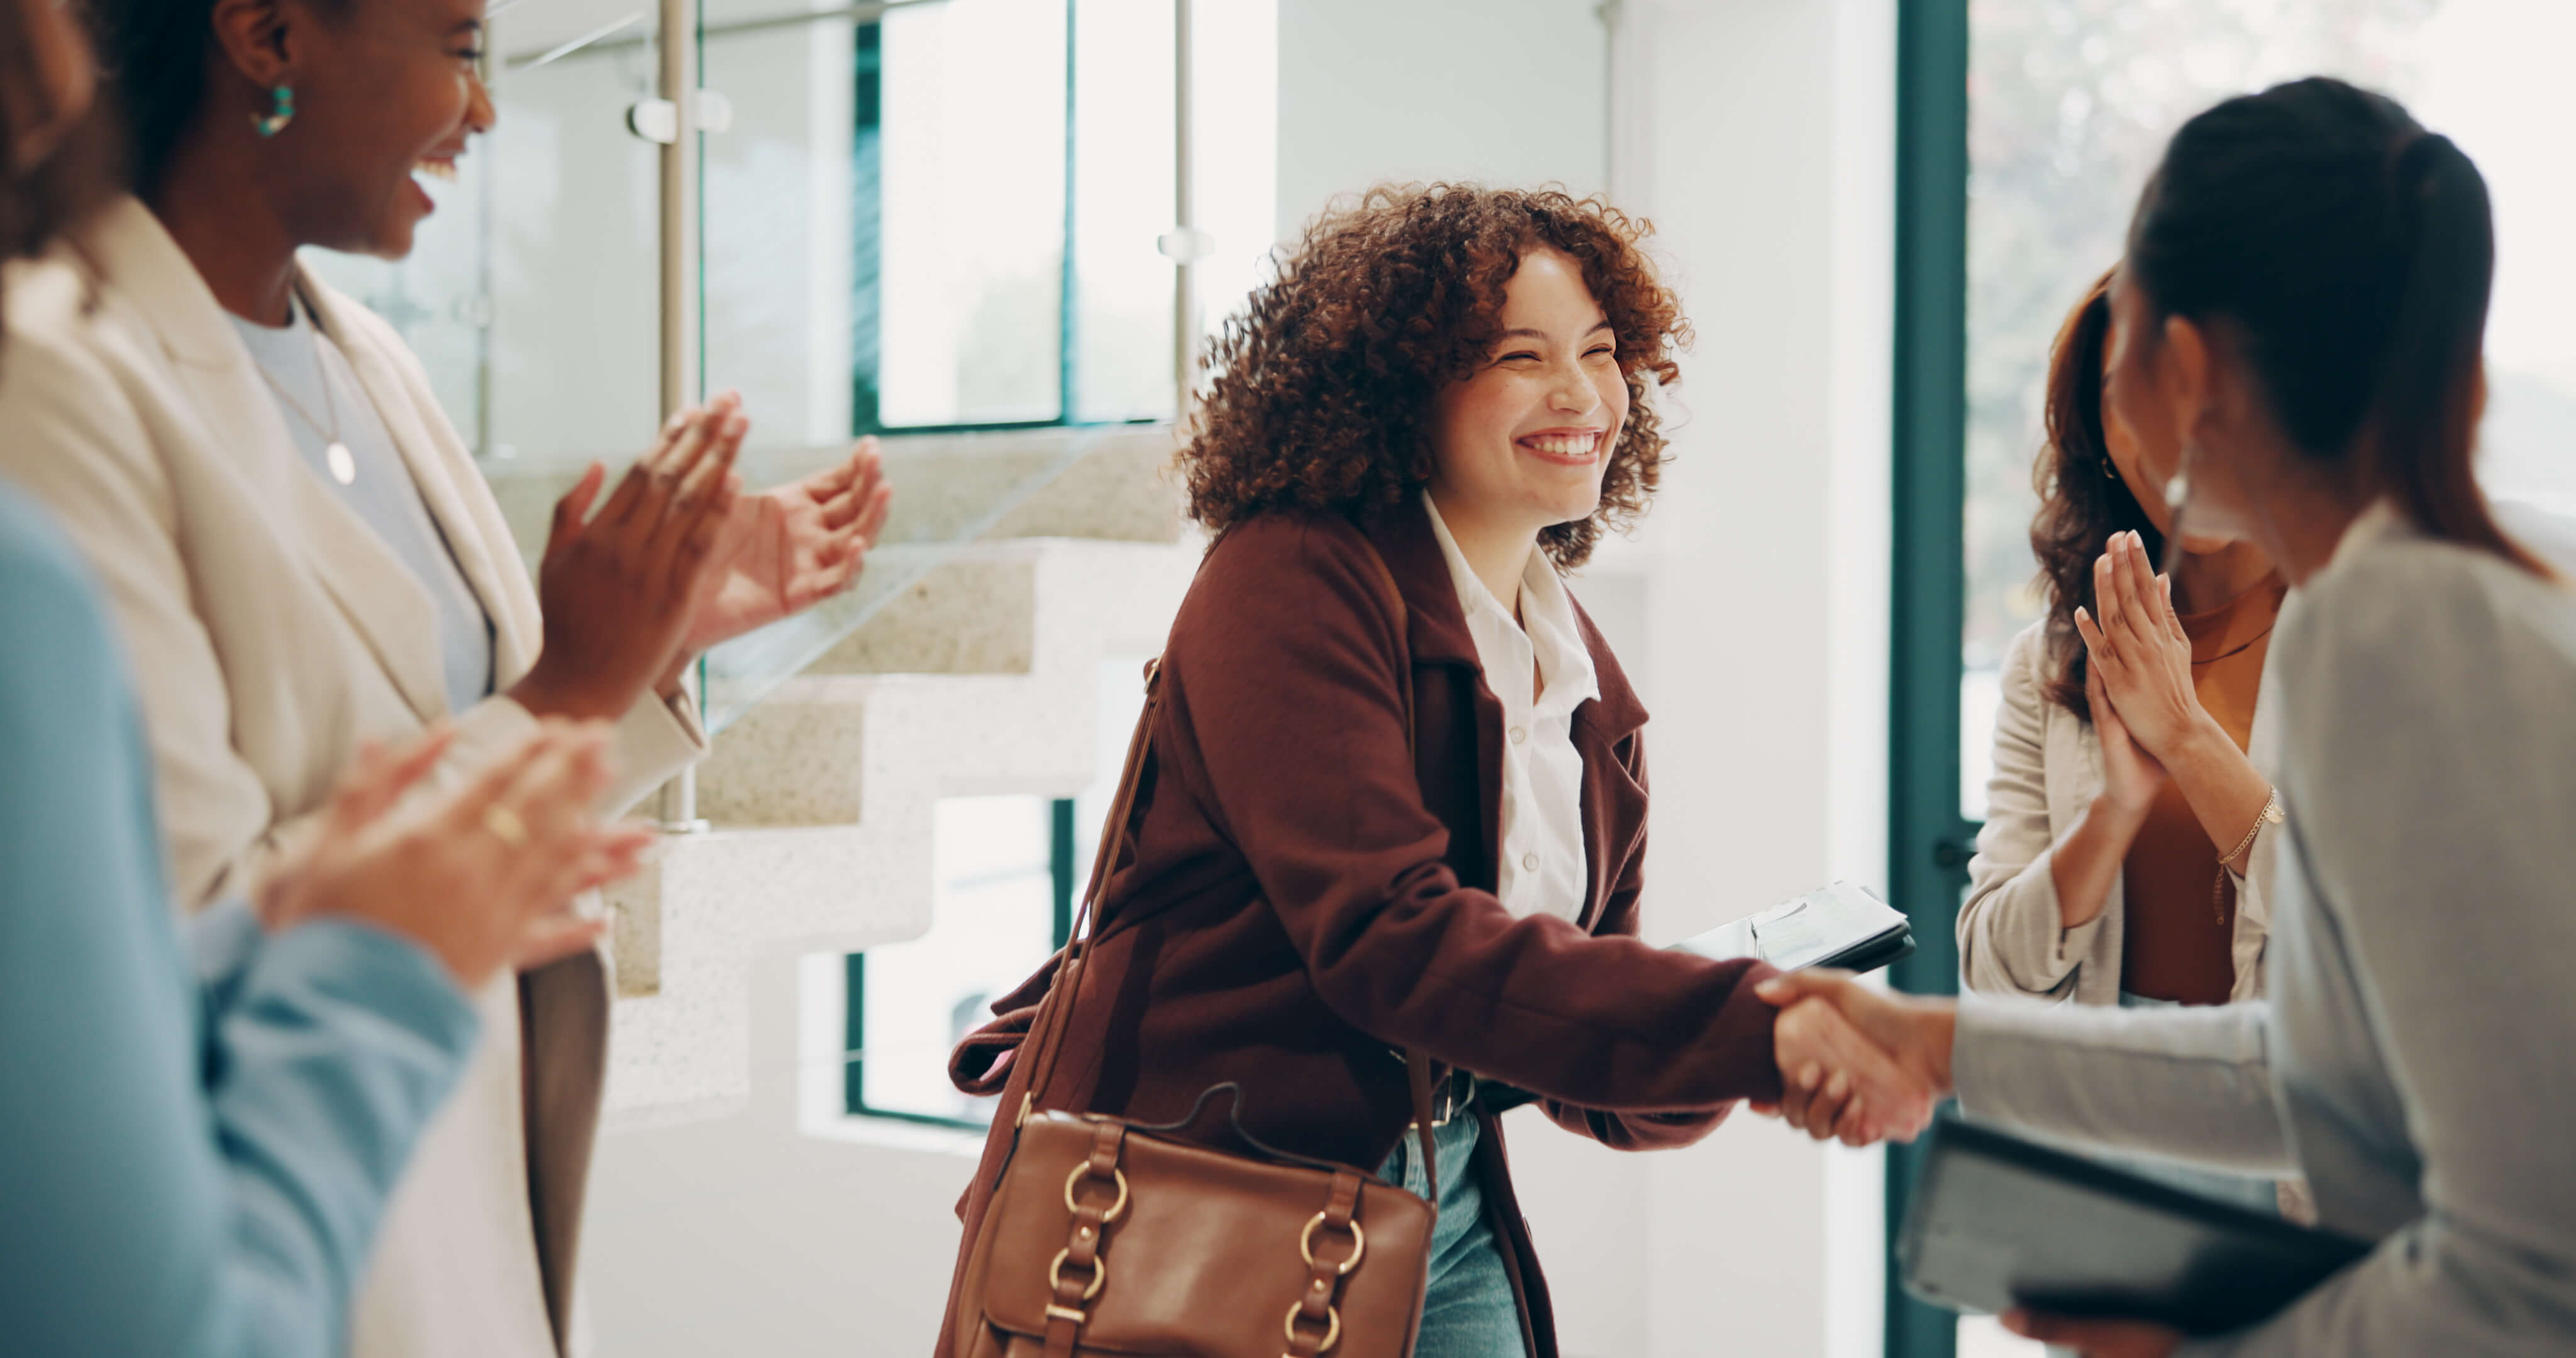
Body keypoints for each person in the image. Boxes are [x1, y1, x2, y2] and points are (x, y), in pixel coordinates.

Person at [0, 0, 892, 1352]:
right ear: (268, 36)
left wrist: (646, 644)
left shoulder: (372, 360)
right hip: (294, 1238)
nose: (483, 115)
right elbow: (153, 950)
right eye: (464, 49)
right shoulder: (54, 382)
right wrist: (569, 693)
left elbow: (469, 741)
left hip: (476, 1203)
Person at [939, 185, 1929, 1358]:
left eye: (1602, 352)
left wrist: (1746, 1042)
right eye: (1521, 356)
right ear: (1403, 388)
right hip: (1199, 1191)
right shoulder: (1296, 577)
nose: (1581, 395)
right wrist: (1747, 1025)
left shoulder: (1580, 675)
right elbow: (1388, 941)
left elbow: (1575, 1052)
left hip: (1436, 1188)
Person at [1763, 77, 2576, 1356]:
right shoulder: (2455, 586)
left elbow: (2529, 1277)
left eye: (2126, 321)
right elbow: (2309, 1076)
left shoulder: (2387, 632)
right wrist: (1928, 1040)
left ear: (2185, 366)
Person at [1957, 269, 2288, 1216]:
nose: (2162, 433)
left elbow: (2370, 939)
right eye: (2120, 401)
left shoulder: (2360, 629)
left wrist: (2187, 738)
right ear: (2095, 435)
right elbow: (1996, 968)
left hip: (2299, 1118)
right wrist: (2114, 812)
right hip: (2111, 1113)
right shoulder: (2053, 659)